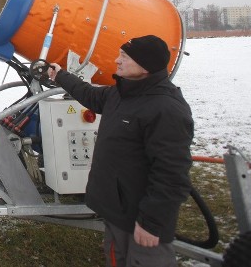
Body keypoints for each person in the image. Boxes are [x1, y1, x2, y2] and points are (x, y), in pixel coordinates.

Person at [46, 35, 193, 267]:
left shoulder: (166, 109)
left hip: (140, 219)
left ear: (145, 65)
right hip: (117, 210)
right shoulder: (121, 93)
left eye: (124, 57)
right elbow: (89, 94)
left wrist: (151, 223)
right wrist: (60, 75)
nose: (116, 61)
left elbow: (172, 174)